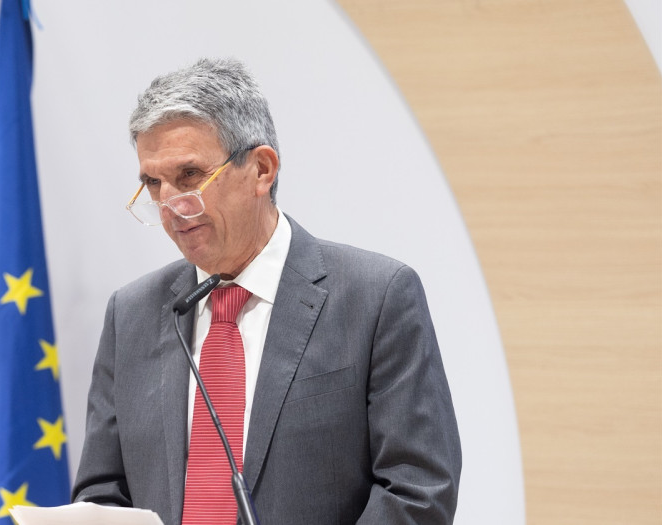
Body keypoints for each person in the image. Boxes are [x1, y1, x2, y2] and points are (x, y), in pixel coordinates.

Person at [72, 58, 462, 524]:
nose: (171, 206)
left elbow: (418, 490)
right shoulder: (131, 313)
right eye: (153, 183)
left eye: (191, 176)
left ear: (261, 169)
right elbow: (103, 491)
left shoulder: (376, 297)